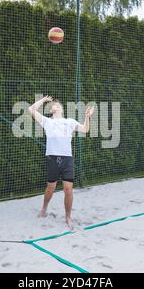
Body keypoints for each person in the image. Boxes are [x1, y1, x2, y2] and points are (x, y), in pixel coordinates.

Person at [27, 95, 95, 229]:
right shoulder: (47, 121)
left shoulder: (69, 121)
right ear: (51, 110)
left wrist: (87, 116)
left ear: (62, 109)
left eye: (58, 105)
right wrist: (43, 100)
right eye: (53, 105)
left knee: (68, 189)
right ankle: (44, 208)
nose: (55, 106)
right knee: (50, 187)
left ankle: (68, 217)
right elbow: (30, 109)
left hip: (67, 160)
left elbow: (85, 129)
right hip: (53, 159)